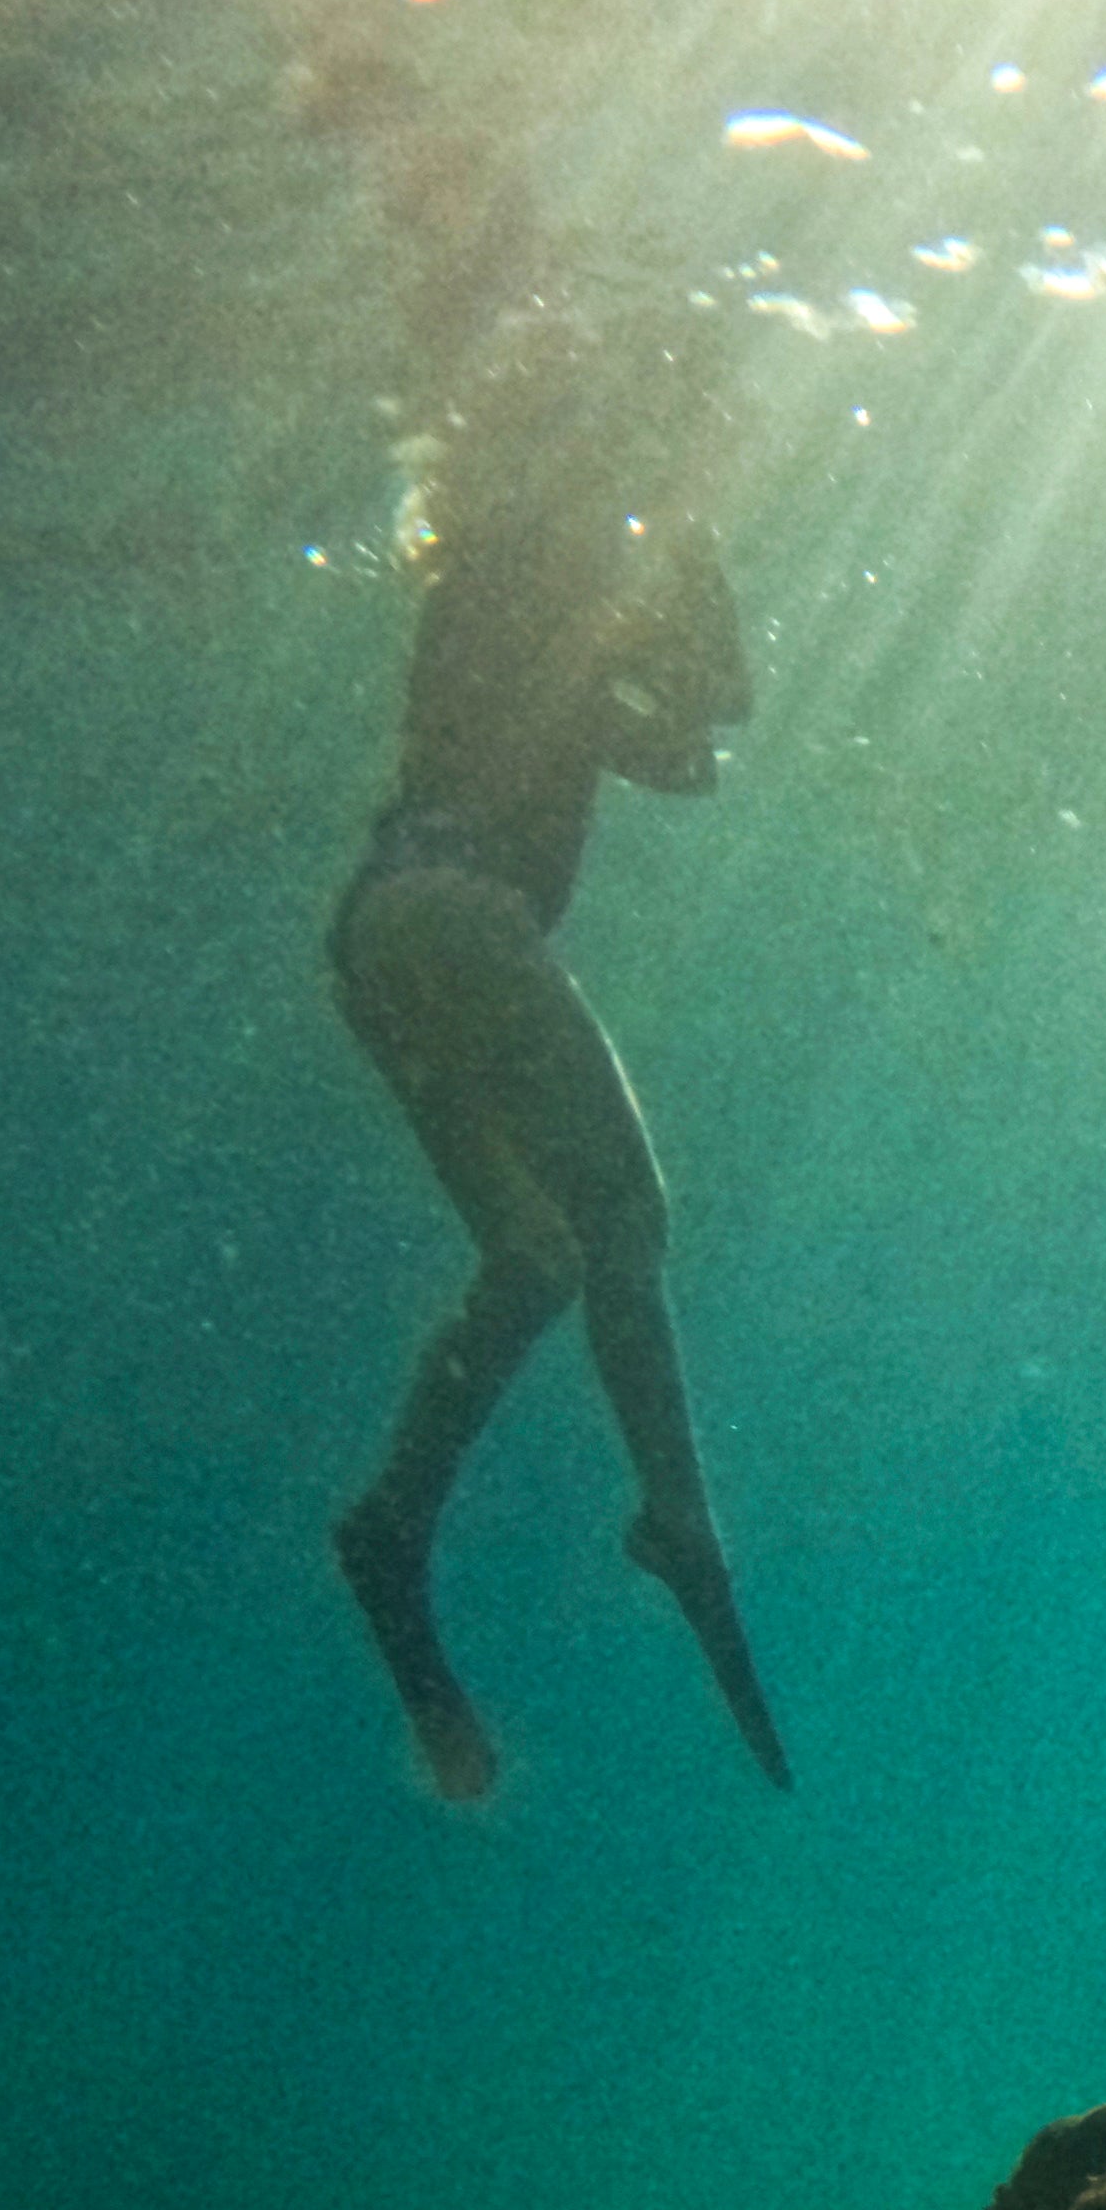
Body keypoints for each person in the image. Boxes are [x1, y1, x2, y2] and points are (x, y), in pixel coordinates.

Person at [313, 289, 789, 1802]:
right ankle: (677, 1522)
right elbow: (717, 711)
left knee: (532, 1259)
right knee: (626, 1222)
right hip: (465, 919)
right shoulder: (571, 562)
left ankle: (393, 1519)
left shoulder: (495, 583)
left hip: (382, 926)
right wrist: (697, 531)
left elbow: (667, 752)